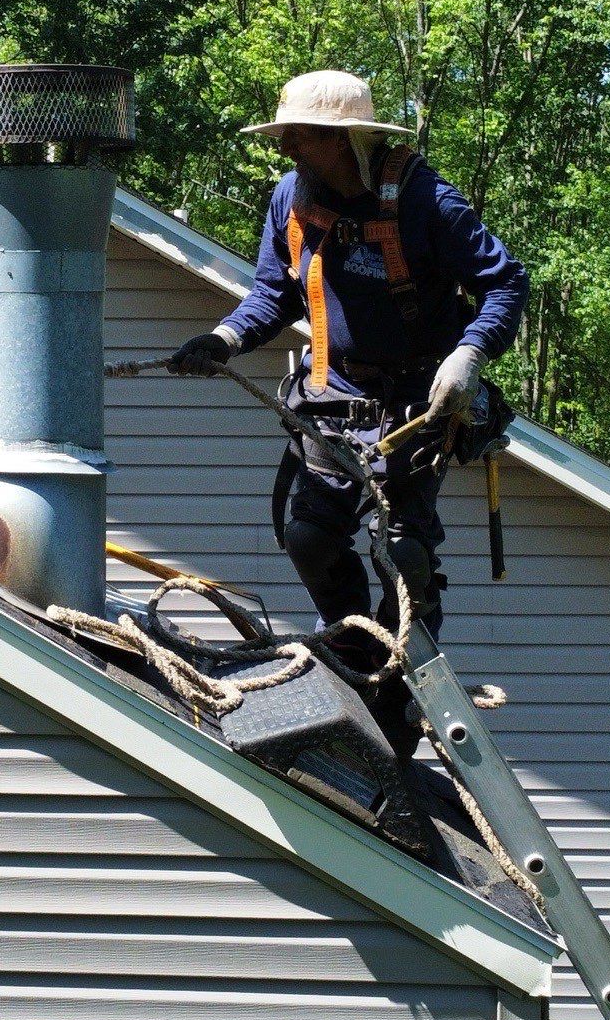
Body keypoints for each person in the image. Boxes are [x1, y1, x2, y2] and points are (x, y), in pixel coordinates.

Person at [169, 69, 527, 665]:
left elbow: (506, 283)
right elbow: (273, 292)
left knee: (403, 551)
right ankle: (351, 651)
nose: (286, 148)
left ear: (346, 139)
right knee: (308, 536)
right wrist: (224, 339)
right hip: (334, 393)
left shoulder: (426, 201)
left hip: (418, 400)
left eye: (301, 135)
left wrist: (471, 354)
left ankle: (406, 674)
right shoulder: (292, 198)